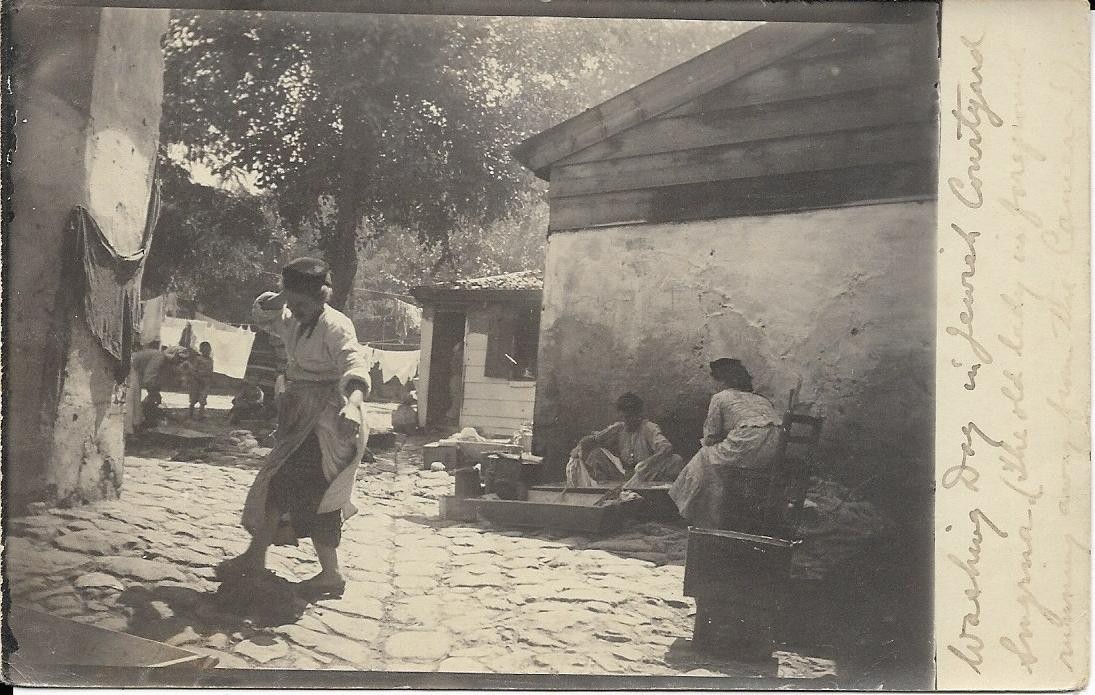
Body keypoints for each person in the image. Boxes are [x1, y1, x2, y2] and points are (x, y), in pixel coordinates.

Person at [215, 257, 372, 598]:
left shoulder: (337, 326)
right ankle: (257, 558)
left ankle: (329, 574)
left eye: (303, 304)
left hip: (333, 421)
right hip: (300, 417)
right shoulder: (293, 320)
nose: (295, 310)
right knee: (282, 484)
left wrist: (352, 405)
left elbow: (354, 367)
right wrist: (285, 294)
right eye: (292, 303)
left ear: (322, 296)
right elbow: (260, 314)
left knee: (317, 494)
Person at [669, 358, 782, 530]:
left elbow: (710, 436)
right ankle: (716, 512)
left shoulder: (720, 397)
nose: (713, 384)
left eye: (715, 380)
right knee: (714, 459)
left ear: (723, 380)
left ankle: (698, 514)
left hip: (749, 442)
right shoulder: (760, 399)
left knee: (704, 457)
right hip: (775, 446)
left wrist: (710, 444)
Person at [566, 392, 684, 488]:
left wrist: (648, 463)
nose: (626, 420)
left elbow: (666, 447)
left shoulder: (648, 428)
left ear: (639, 415)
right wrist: (579, 447)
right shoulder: (619, 428)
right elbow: (594, 439)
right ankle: (605, 490)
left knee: (675, 460)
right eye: (623, 417)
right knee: (596, 454)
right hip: (623, 476)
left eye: (629, 417)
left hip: (646, 475)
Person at [131, 341, 167, 429]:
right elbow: (149, 377)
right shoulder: (159, 356)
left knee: (136, 400)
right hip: (132, 370)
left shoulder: (156, 354)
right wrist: (154, 392)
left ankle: (137, 423)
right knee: (135, 400)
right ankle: (138, 425)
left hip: (135, 370)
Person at [180, 341, 215, 419]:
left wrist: (210, 380)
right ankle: (190, 413)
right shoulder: (198, 359)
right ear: (201, 350)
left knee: (203, 398)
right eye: (205, 350)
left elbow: (210, 371)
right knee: (193, 398)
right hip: (196, 380)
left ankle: (201, 414)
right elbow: (194, 370)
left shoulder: (211, 360)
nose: (207, 352)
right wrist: (197, 378)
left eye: (208, 350)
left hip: (206, 381)